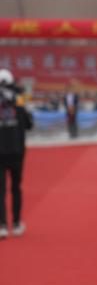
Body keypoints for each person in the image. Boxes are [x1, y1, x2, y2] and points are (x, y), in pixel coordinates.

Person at [0, 69, 33, 238]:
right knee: (15, 188)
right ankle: (17, 222)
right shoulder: (19, 98)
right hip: (17, 151)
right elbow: (28, 124)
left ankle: (2, 226)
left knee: (0, 190)